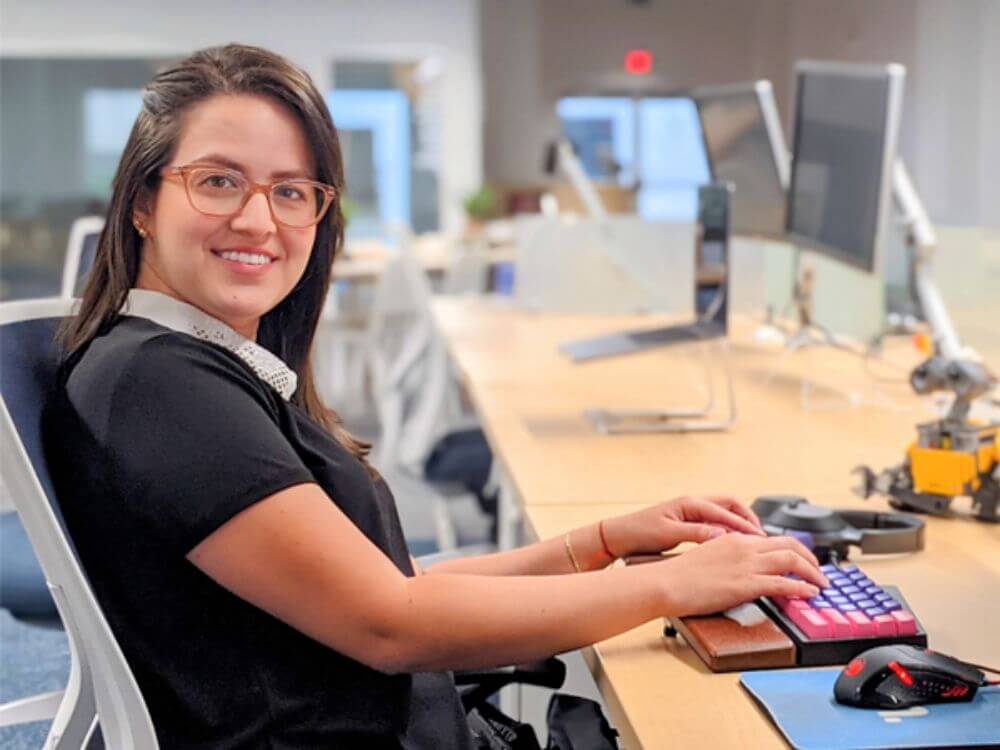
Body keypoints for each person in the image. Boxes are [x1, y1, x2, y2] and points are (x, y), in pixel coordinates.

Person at [43, 44, 827, 749]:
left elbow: (395, 587)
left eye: (291, 192)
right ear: (142, 202)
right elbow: (393, 626)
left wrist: (598, 544)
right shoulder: (161, 389)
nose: (259, 219)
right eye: (218, 181)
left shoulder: (198, 367)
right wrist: (668, 583)